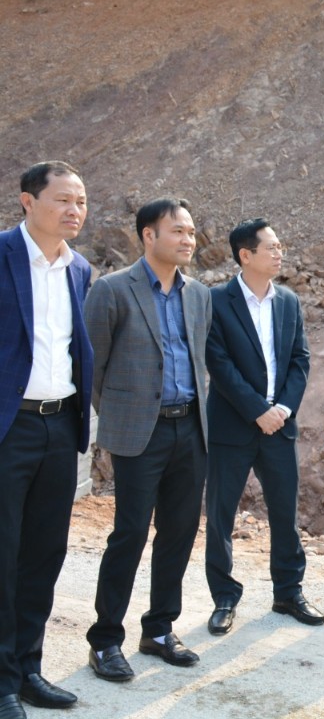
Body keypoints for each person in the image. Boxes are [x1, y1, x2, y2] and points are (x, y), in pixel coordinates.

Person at [84, 197, 211, 681]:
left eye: (192, 232)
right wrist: (122, 416)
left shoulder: (198, 294)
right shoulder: (113, 290)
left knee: (178, 532)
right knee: (130, 533)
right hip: (141, 432)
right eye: (177, 230)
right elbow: (92, 367)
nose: (187, 240)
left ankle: (159, 629)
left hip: (190, 429)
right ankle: (105, 640)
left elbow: (198, 362)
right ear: (148, 236)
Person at [0, 162, 93, 718]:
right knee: (3, 553)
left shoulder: (79, 269)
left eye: (80, 201)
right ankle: (2, 679)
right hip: (9, 427)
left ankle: (29, 669)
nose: (74, 210)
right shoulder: (3, 255)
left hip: (60, 425)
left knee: (43, 551)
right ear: (27, 202)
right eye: (63, 199)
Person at [204, 218, 323, 635]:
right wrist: (257, 409)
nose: (279, 253)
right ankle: (224, 598)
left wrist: (284, 409)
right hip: (232, 427)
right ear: (245, 255)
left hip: (280, 426)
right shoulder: (216, 301)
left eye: (280, 245)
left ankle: (288, 592)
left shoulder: (288, 301)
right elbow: (218, 363)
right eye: (271, 247)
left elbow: (300, 360)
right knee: (220, 515)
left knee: (285, 513)